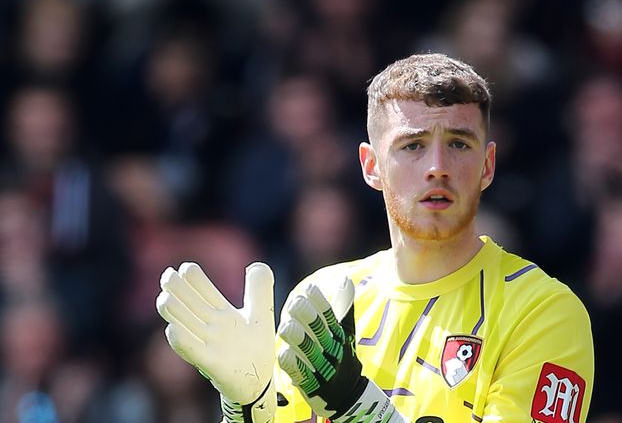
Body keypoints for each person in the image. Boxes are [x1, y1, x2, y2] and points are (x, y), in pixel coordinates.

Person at [156, 53, 594, 423]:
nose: (437, 166)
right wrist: (245, 406)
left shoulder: (546, 313)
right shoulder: (322, 297)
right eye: (412, 145)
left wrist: (357, 407)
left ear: (488, 165)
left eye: (459, 144)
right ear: (371, 166)